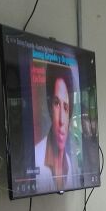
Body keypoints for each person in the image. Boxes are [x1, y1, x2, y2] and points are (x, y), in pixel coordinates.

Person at [33, 62, 78, 193]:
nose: (62, 120)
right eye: (56, 103)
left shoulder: (69, 164)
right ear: (49, 107)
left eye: (66, 107)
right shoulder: (35, 158)